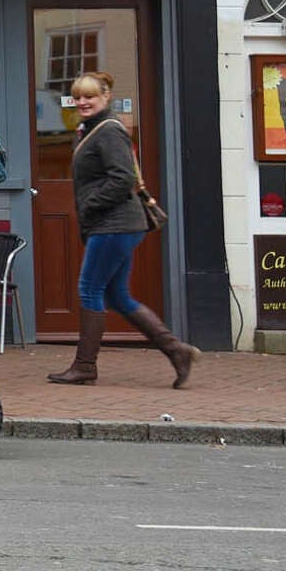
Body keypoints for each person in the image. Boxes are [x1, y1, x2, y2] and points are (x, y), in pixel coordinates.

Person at [49, 71, 199, 389]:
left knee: (90, 288)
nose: (83, 102)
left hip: (114, 224)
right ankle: (177, 351)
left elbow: (122, 178)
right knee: (117, 295)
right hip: (115, 224)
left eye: (90, 96)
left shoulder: (108, 131)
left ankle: (85, 366)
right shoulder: (91, 129)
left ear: (106, 97)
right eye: (78, 96)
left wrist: (90, 204)